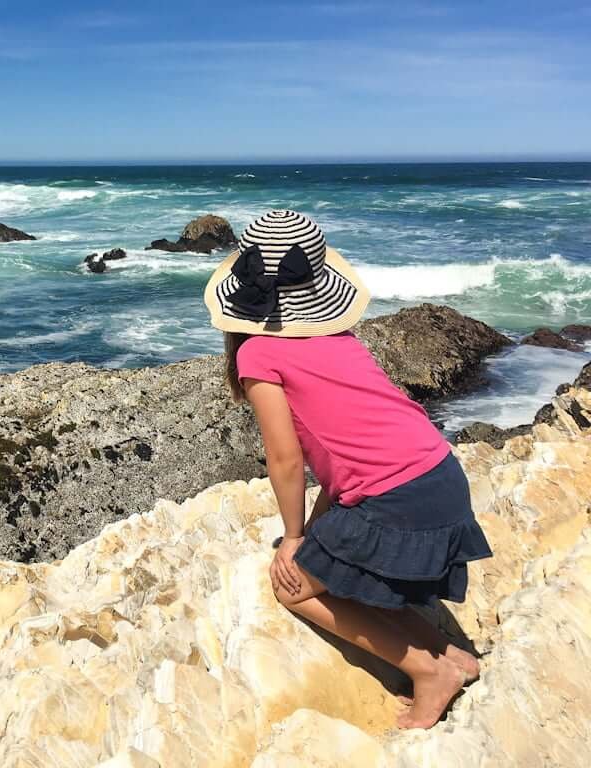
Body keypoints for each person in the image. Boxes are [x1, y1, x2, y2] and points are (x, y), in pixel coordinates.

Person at [203, 209, 493, 729]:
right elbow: (351, 461)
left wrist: (293, 538)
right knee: (342, 570)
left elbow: (285, 457)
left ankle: (429, 671)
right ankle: (452, 655)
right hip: (442, 476)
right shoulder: (342, 342)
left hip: (398, 500)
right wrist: (317, 530)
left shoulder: (259, 356)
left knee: (295, 588)